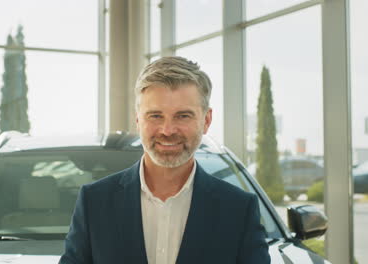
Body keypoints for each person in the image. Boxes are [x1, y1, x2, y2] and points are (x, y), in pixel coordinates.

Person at [60, 56, 270, 264]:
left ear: (206, 120)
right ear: (138, 120)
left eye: (183, 116)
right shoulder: (94, 202)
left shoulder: (238, 210)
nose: (167, 131)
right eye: (155, 116)